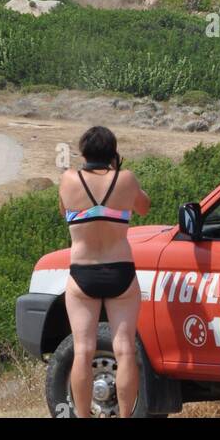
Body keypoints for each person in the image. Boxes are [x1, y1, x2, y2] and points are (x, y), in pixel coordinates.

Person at [58, 127, 150, 418]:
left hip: (82, 272)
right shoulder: (127, 179)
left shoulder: (69, 179)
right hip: (120, 269)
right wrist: (119, 173)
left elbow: (64, 210)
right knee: (124, 349)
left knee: (83, 350)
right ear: (113, 152)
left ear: (83, 152)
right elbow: (144, 207)